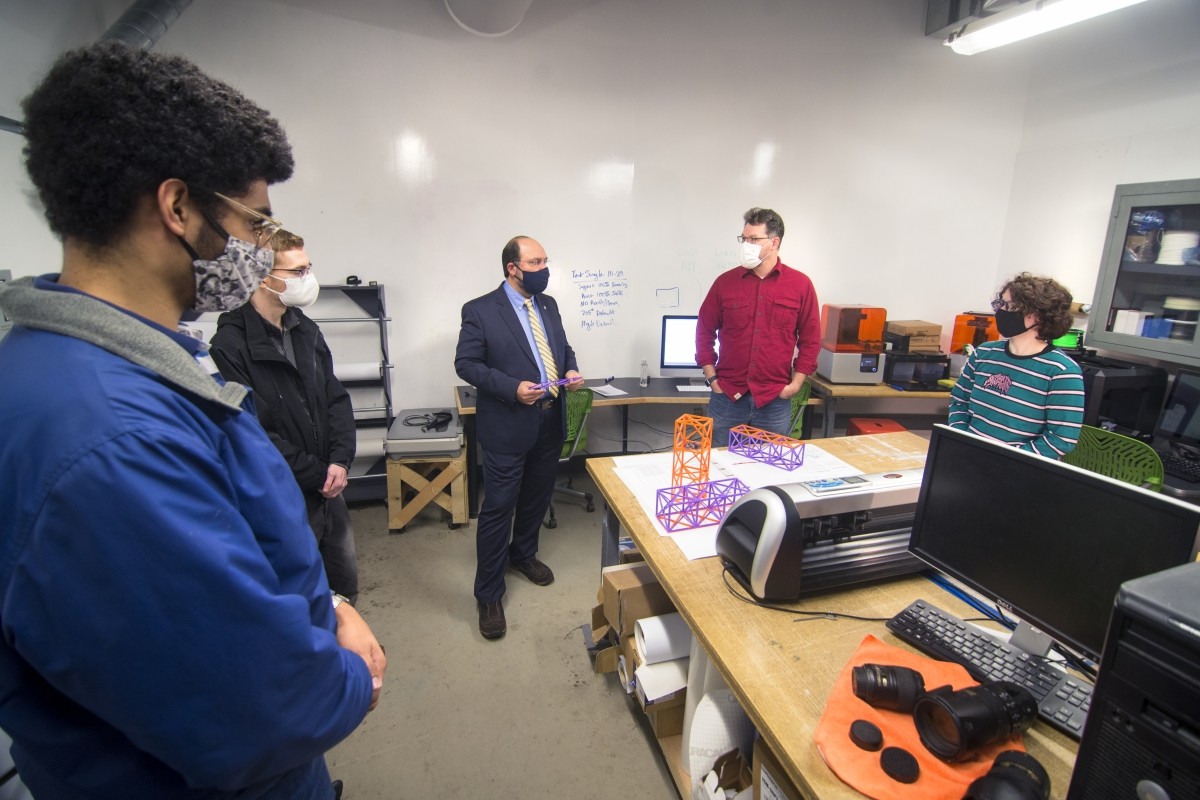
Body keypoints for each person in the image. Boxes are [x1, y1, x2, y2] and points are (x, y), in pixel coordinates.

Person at [0, 42, 385, 799]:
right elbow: (263, 709)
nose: (263, 248)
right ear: (177, 207)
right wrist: (349, 670)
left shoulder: (107, 366)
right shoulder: (112, 440)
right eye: (257, 221)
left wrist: (330, 603)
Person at [210, 231, 360, 604]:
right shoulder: (230, 346)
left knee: (344, 584)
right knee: (299, 592)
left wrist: (340, 460)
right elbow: (251, 431)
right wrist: (317, 473)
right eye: (296, 271)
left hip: (330, 486)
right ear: (263, 276)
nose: (307, 278)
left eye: (308, 268)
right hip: (282, 492)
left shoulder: (306, 330)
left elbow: (335, 397)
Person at [454, 236, 583, 640]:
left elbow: (562, 348)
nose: (544, 269)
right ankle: (489, 594)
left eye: (545, 261)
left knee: (536, 497)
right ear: (513, 268)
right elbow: (466, 364)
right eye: (535, 262)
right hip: (508, 423)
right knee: (498, 508)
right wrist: (511, 388)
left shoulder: (549, 305)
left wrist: (571, 369)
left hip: (549, 419)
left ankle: (523, 554)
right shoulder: (480, 310)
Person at [696, 207, 821, 446]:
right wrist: (712, 378)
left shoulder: (800, 285)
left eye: (754, 239)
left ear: (774, 242)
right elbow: (703, 331)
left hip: (774, 400)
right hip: (728, 397)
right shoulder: (725, 283)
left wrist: (795, 385)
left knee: (768, 465)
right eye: (744, 239)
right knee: (721, 463)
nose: (747, 245)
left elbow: (811, 339)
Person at [948, 272, 1085, 458]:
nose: (1001, 311)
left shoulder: (1062, 371)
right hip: (968, 456)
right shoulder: (984, 353)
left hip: (1016, 466)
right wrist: (962, 439)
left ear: (1039, 315)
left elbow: (1061, 439)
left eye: (1011, 306)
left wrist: (1008, 458)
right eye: (1001, 304)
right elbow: (959, 400)